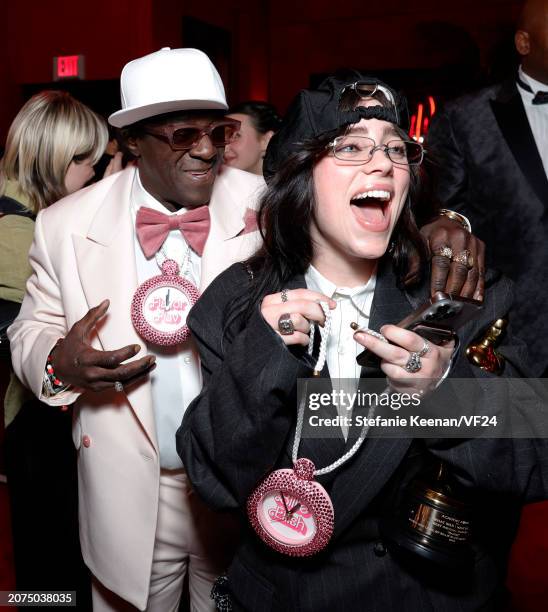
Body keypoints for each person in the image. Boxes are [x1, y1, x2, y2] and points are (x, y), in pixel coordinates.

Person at [8, 49, 487, 610]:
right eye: (184, 133)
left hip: (256, 495)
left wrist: (442, 221)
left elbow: (354, 201)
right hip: (131, 482)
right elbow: (32, 327)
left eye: (220, 131)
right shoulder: (65, 223)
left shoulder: (267, 197)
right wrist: (53, 361)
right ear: (133, 141)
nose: (208, 149)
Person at [177, 74, 548, 611]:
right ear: (299, 173)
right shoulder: (235, 306)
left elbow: (535, 456)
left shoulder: (464, 293)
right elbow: (215, 480)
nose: (383, 165)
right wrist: (264, 361)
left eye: (397, 149)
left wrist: (444, 393)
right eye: (351, 146)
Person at [1, 90, 107, 604]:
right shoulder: (17, 231)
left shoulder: (32, 213)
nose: (95, 172)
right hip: (37, 421)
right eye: (87, 161)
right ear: (56, 160)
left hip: (49, 417)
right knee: (51, 576)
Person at [427, 0, 548, 376]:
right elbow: (442, 213)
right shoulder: (465, 117)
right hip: (514, 330)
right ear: (524, 43)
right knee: (522, 430)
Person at [223, 101, 282, 175]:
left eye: (236, 136)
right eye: (221, 138)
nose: (224, 148)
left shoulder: (291, 184)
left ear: (266, 141)